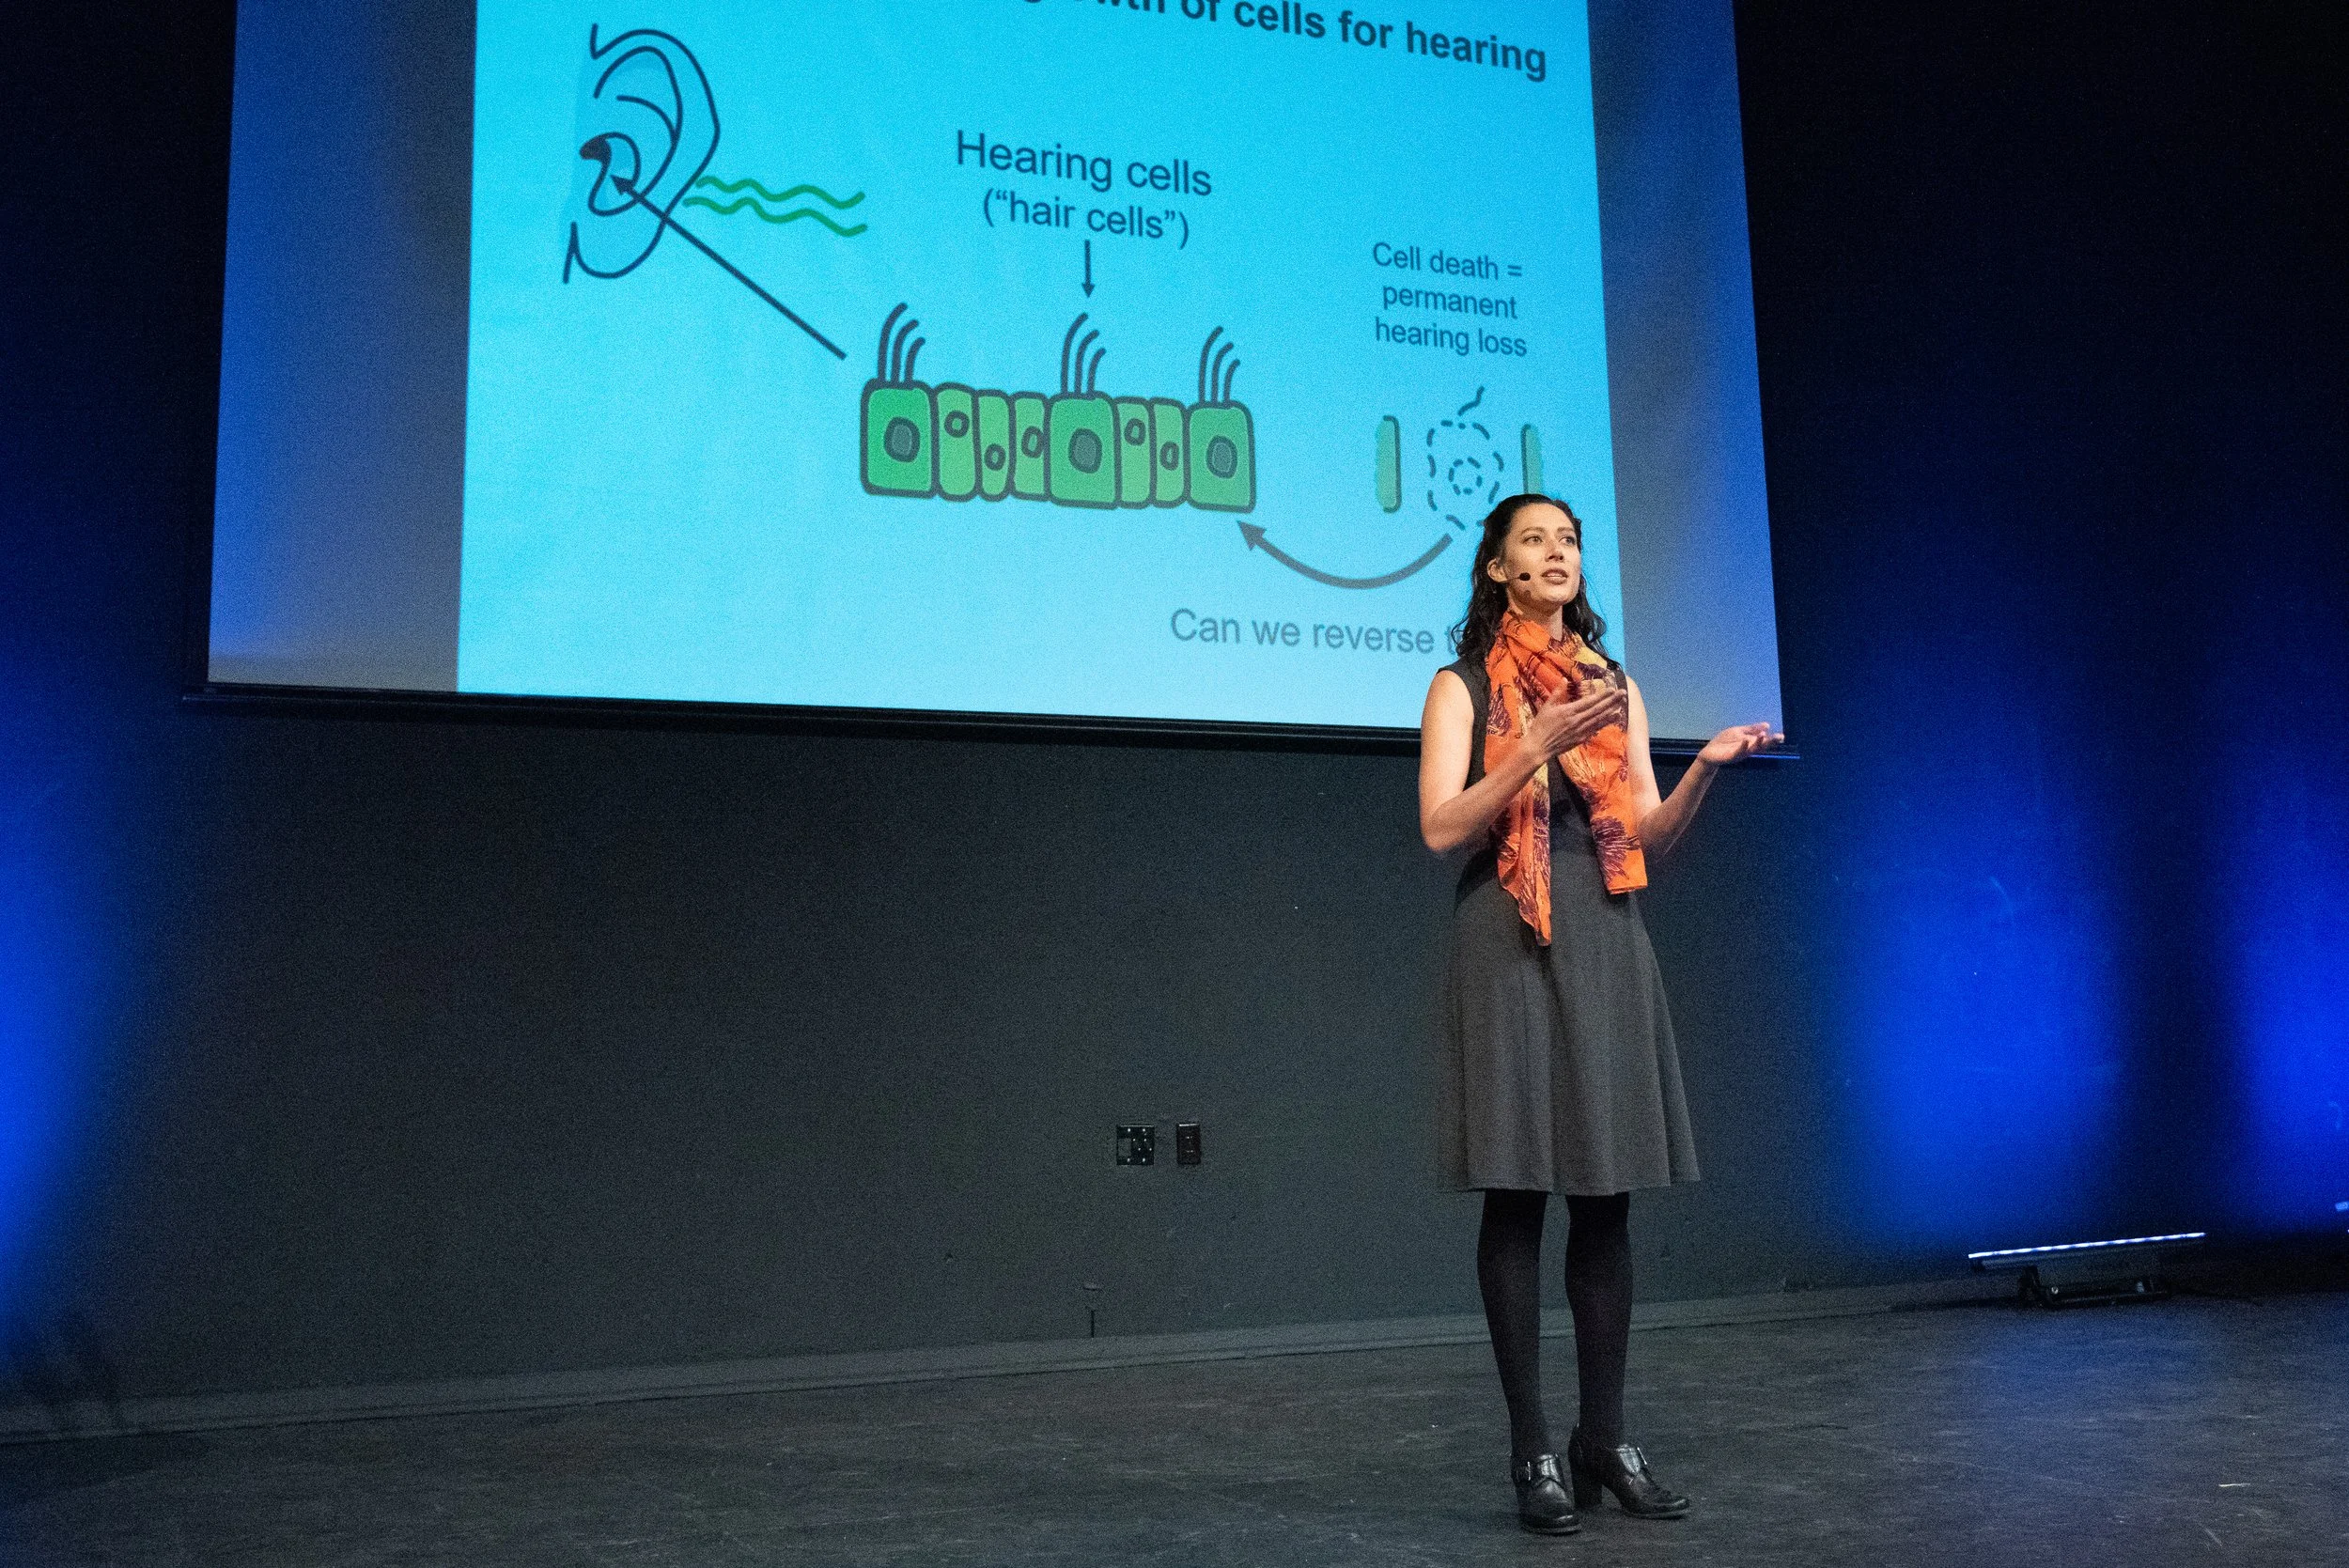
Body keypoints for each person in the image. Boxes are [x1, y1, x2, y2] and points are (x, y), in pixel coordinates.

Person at [1417, 493, 1780, 1535]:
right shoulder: (1460, 686)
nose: (1557, 553)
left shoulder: (1614, 687)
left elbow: (1645, 833)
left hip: (1606, 931)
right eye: (1534, 540)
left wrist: (1703, 770)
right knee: (1518, 1187)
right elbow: (1441, 827)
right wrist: (1527, 746)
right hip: (1508, 934)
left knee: (1606, 1191)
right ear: (1496, 569)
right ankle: (1532, 1446)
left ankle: (1603, 1439)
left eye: (1569, 540)